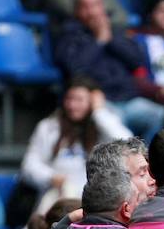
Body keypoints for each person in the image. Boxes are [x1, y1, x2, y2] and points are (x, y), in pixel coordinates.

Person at [55, 0, 164, 142]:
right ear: (77, 11)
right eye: (86, 6)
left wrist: (110, 39)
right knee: (113, 125)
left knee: (160, 114)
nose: (92, 11)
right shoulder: (70, 35)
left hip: (129, 99)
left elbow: (137, 61)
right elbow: (75, 68)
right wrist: (98, 41)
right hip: (101, 101)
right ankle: (126, 163)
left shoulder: (117, 32)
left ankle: (145, 161)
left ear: (103, 7)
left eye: (96, 5)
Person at [20, 77, 131, 211]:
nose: (72, 105)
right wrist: (51, 178)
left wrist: (99, 111)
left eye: (79, 100)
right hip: (55, 199)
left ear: (92, 100)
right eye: (69, 99)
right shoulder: (49, 126)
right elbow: (28, 165)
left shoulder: (102, 124)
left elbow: (127, 143)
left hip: (93, 202)